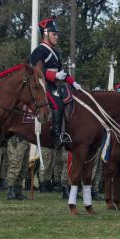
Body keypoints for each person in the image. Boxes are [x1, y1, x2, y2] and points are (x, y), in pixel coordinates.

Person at [29, 16, 81, 146]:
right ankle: (56, 135)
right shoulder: (39, 51)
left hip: (56, 85)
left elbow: (62, 72)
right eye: (54, 34)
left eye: (57, 34)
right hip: (43, 86)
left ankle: (68, 131)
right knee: (58, 104)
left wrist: (73, 82)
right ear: (46, 34)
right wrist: (55, 76)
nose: (57, 37)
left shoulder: (56, 52)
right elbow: (38, 72)